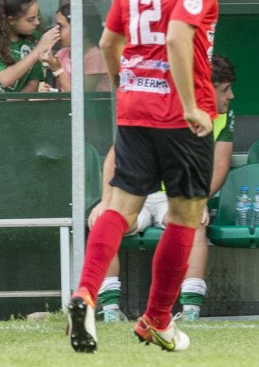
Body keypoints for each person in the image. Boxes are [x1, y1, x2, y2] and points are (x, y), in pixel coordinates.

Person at [67, 0, 220, 353]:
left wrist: (124, 85)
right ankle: (156, 319)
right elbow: (177, 34)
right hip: (179, 118)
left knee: (119, 208)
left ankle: (85, 293)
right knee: (185, 215)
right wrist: (192, 105)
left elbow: (108, 40)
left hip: (135, 109)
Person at [90, 54, 237, 323]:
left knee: (194, 223)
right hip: (136, 194)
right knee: (107, 221)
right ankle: (110, 310)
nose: (231, 96)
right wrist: (106, 200)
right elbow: (115, 155)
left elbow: (219, 166)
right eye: (225, 90)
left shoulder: (223, 118)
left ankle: (191, 310)